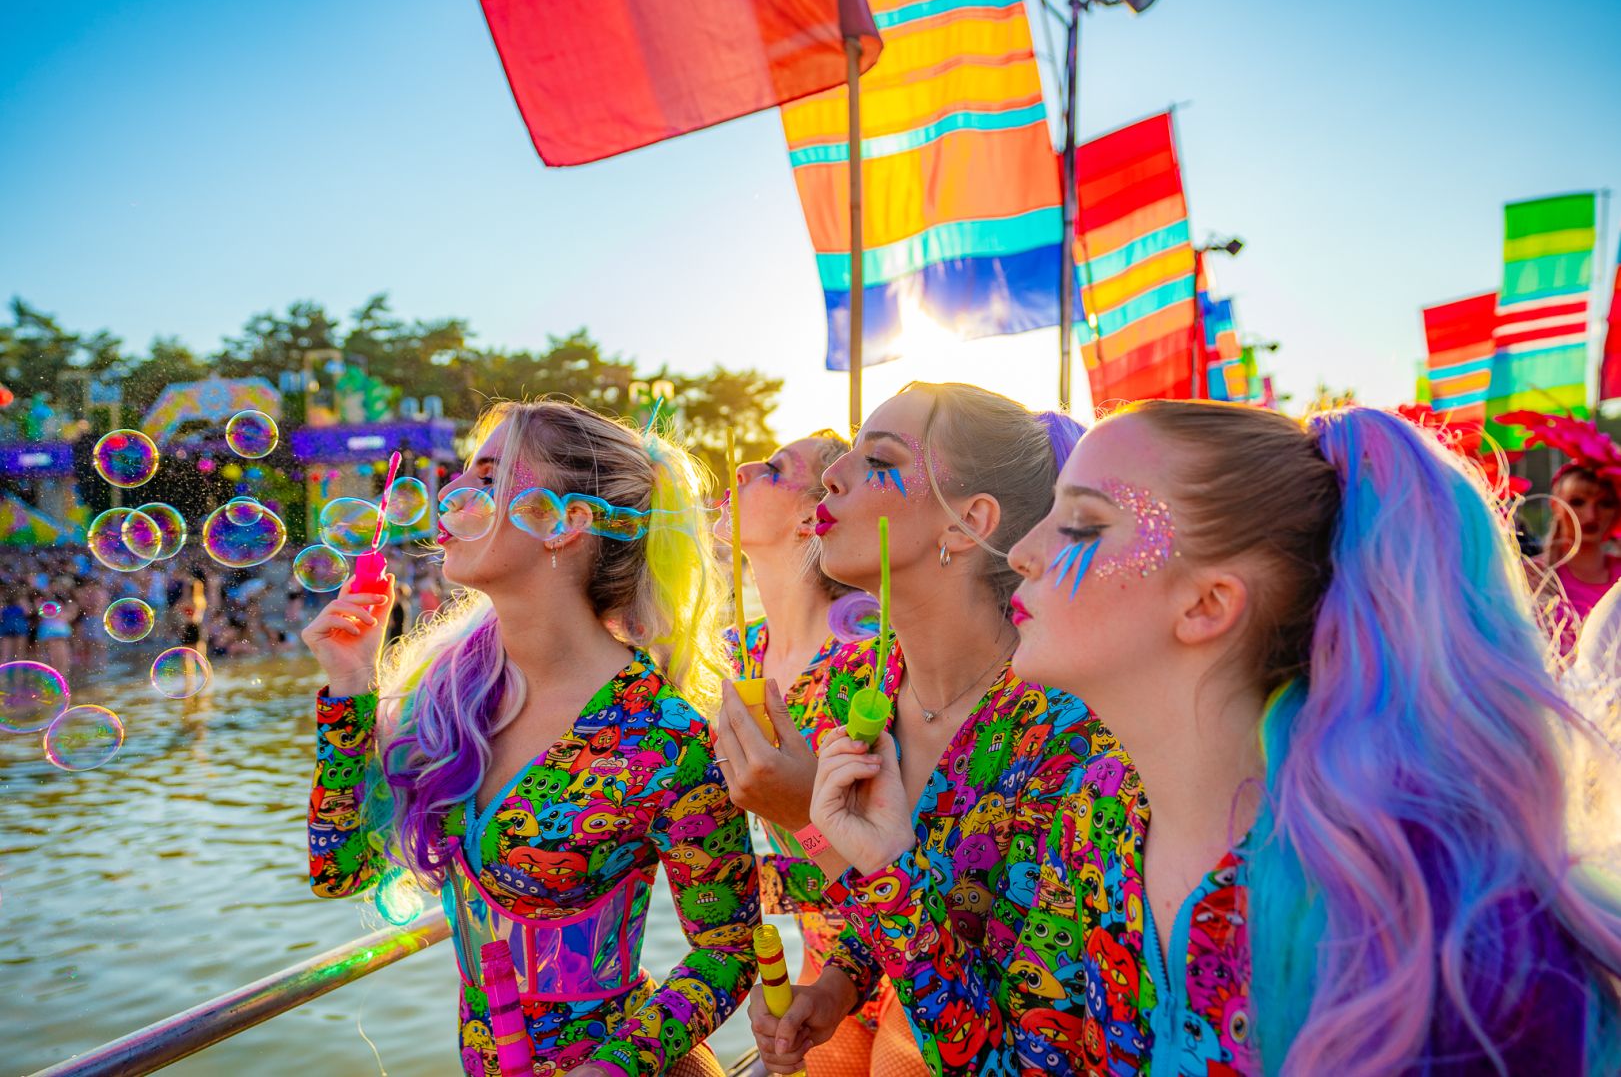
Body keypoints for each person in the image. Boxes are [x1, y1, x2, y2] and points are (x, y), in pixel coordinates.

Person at [820, 400, 1621, 1074]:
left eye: (1082, 527)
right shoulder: (1097, 819)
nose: (1023, 553)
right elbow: (1018, 1064)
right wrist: (886, 866)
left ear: (1206, 604)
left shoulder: (1412, 911)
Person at [301, 399, 760, 1077]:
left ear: (563, 522)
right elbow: (339, 871)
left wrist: (612, 1068)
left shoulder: (661, 737)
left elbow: (728, 950)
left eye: (488, 477)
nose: (452, 493)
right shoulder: (448, 698)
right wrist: (349, 687)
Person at [740, 384, 1104, 1075]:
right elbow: (886, 898)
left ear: (966, 522)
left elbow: (1027, 1052)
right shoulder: (857, 687)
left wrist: (807, 822)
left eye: (878, 460)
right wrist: (836, 987)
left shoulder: (1068, 743)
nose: (832, 476)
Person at [715, 430, 885, 1075]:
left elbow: (893, 850)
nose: (743, 468)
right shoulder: (737, 655)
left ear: (813, 516)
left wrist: (777, 861)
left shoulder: (869, 663)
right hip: (822, 964)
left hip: (904, 955)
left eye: (775, 468)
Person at [1498, 411, 1621, 653]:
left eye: (1604, 504)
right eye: (1578, 502)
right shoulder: (1529, 577)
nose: (1591, 515)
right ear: (1555, 505)